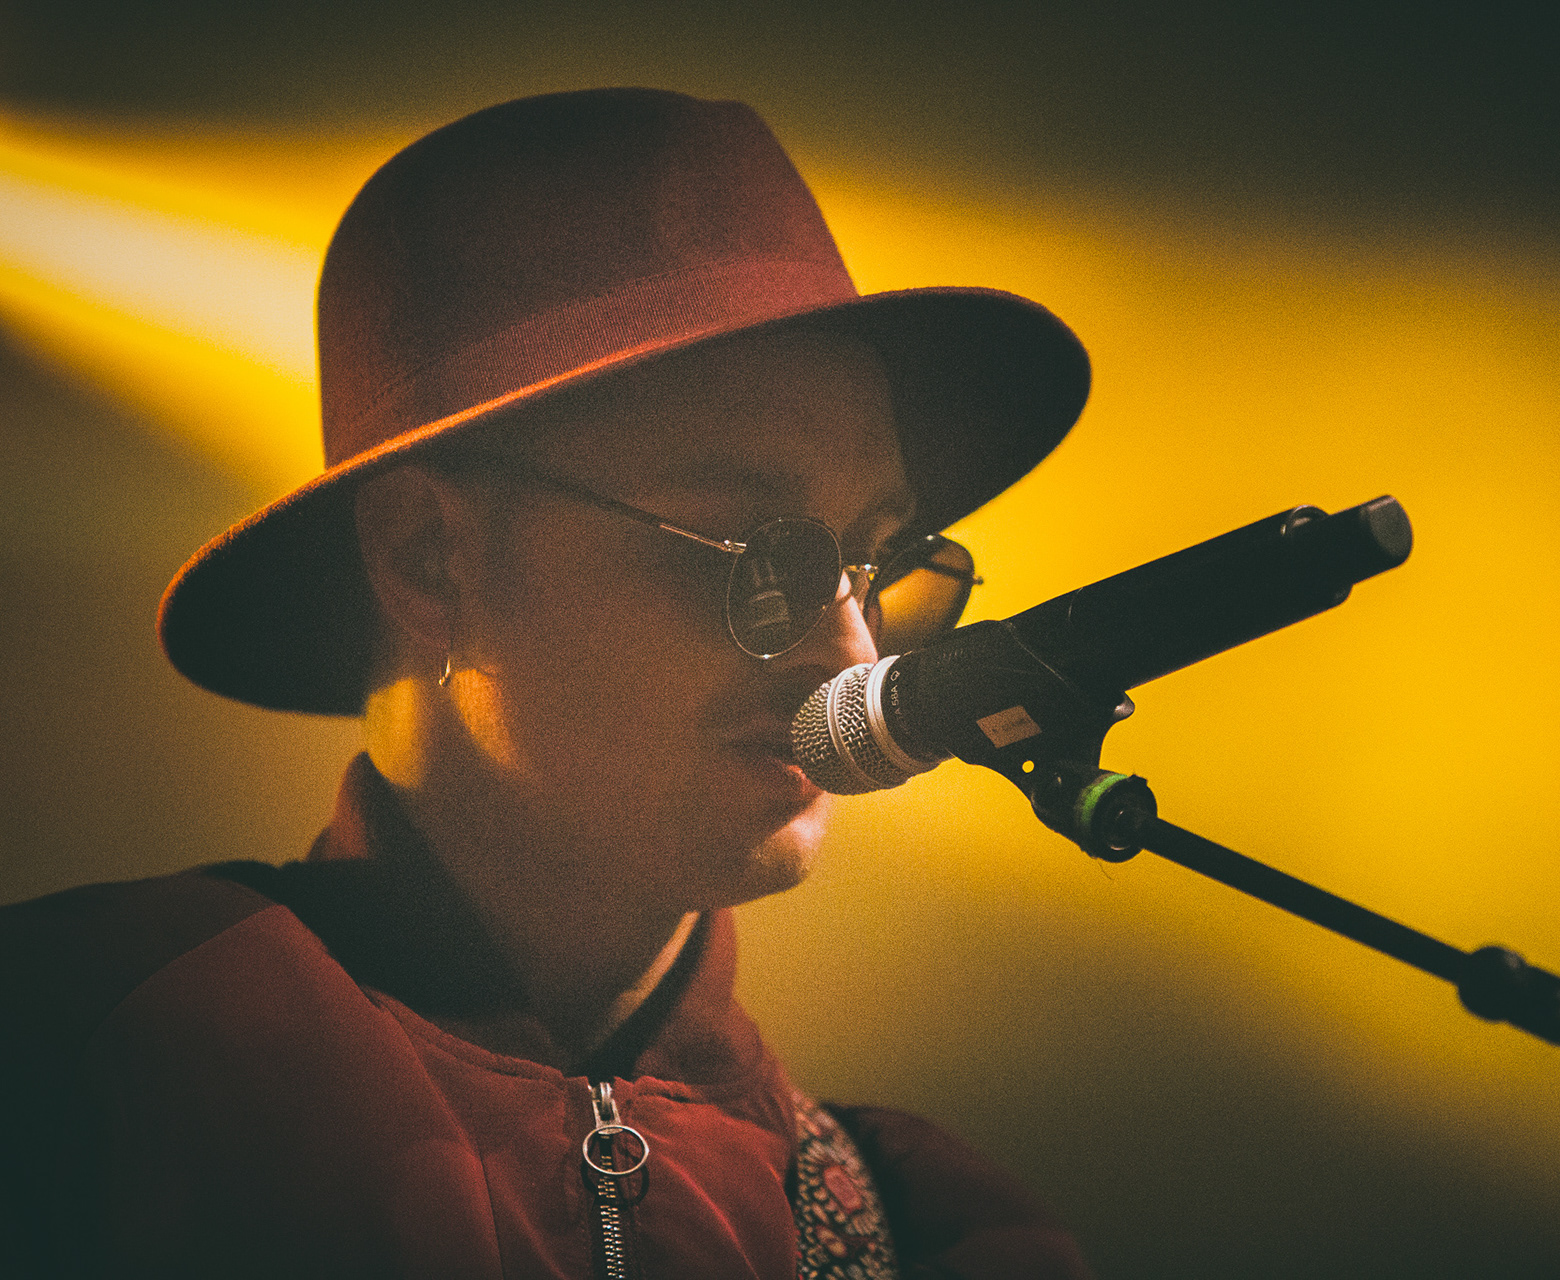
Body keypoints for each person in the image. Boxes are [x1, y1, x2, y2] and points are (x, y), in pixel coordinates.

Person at [0, 88, 1094, 1278]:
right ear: (429, 556)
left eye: (877, 561)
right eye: (754, 552)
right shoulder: (79, 1044)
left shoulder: (931, 1226)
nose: (851, 654)